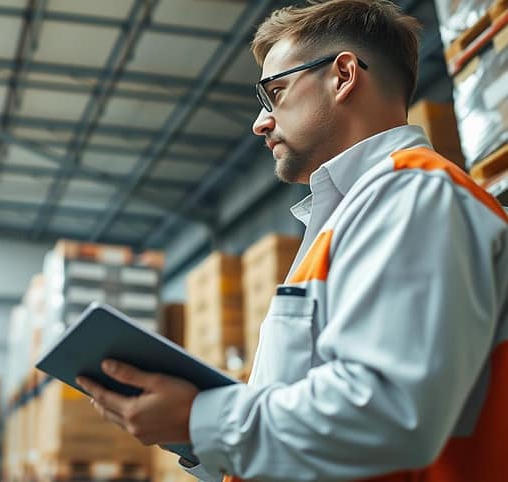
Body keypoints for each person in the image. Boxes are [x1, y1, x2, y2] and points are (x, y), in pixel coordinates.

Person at [75, 1, 508, 480]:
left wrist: (201, 417)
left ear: (343, 76)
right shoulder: (348, 219)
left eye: (275, 93)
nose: (260, 124)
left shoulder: (415, 195)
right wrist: (195, 432)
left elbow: (389, 409)